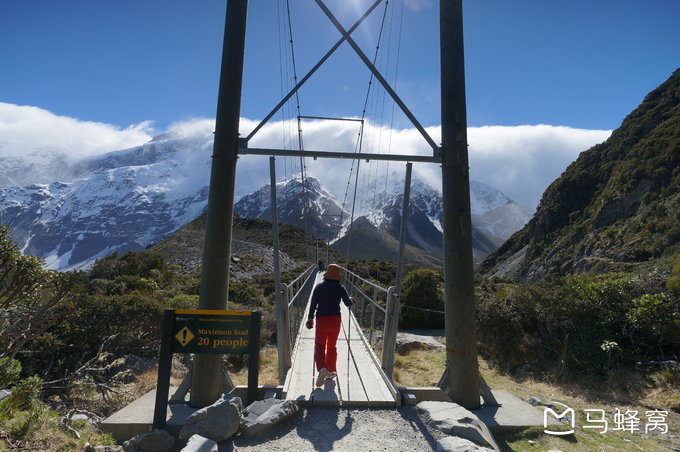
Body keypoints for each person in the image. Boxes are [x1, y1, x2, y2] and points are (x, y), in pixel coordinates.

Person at [305, 263, 352, 386]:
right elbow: (348, 303)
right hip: (335, 320)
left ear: (326, 274)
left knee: (320, 346)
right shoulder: (341, 287)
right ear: (338, 276)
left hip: (322, 320)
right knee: (332, 346)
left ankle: (322, 369)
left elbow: (313, 305)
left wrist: (310, 319)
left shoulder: (319, 287)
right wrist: (351, 300)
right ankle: (331, 371)